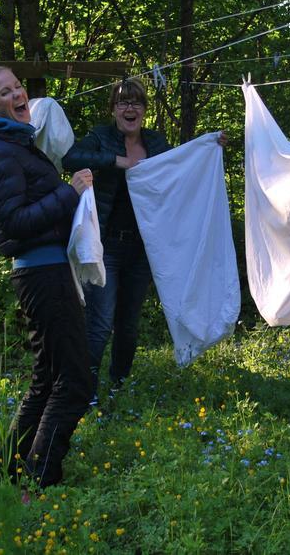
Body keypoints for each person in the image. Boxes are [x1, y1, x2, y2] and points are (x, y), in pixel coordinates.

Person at [0, 65, 94, 489]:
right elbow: (15, 223)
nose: (18, 94)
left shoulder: (12, 143)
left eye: (18, 86)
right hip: (42, 272)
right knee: (74, 381)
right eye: (5, 92)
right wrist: (68, 193)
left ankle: (7, 470)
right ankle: (38, 481)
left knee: (48, 378)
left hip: (44, 271)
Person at [63, 78, 227, 400]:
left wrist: (208, 146)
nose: (129, 108)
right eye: (123, 102)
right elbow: (70, 158)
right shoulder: (101, 137)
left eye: (136, 102)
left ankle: (118, 388)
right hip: (106, 246)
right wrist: (117, 161)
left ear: (144, 109)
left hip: (143, 249)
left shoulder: (155, 142)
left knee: (128, 324)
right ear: (113, 109)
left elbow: (181, 164)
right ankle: (85, 393)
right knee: (100, 323)